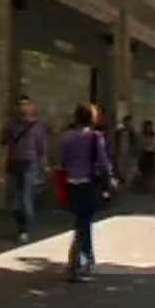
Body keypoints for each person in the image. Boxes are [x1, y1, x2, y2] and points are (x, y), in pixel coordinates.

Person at [59, 103, 113, 283]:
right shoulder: (94, 137)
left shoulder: (68, 138)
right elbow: (103, 163)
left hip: (71, 184)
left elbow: (64, 162)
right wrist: (109, 181)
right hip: (88, 184)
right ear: (92, 118)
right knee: (83, 223)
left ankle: (87, 258)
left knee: (82, 222)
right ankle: (77, 263)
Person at [0, 96, 47, 244]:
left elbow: (41, 147)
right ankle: (21, 224)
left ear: (31, 108)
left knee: (25, 198)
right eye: (20, 106)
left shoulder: (37, 126)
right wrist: (1, 163)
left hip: (29, 164)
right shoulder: (10, 125)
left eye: (26, 106)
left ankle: (24, 229)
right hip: (13, 163)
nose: (23, 109)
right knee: (14, 199)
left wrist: (43, 166)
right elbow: (4, 143)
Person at [114, 116, 138, 196]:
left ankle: (127, 185)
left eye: (129, 122)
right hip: (121, 152)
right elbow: (116, 142)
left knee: (129, 169)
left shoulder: (133, 132)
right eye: (126, 122)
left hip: (129, 153)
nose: (127, 123)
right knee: (121, 168)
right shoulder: (119, 132)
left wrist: (134, 152)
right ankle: (124, 181)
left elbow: (135, 143)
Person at [137, 120, 155, 192]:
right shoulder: (142, 135)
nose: (148, 128)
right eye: (146, 127)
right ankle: (145, 187)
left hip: (152, 154)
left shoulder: (154, 135)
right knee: (145, 171)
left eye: (149, 127)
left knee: (151, 171)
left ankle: (150, 186)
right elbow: (140, 145)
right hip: (144, 154)